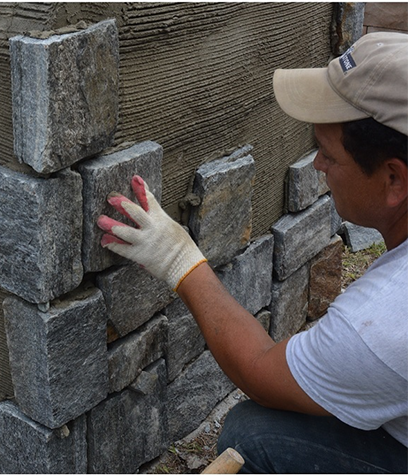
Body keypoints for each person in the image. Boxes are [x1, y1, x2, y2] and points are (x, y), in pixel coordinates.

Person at [97, 31, 408, 473]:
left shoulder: (384, 324)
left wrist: (177, 258)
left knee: (253, 437)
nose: (317, 165)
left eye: (328, 154)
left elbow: (262, 371)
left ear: (394, 180)